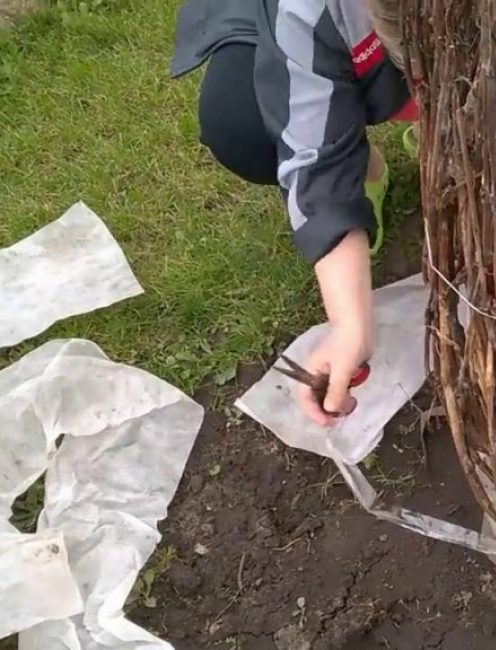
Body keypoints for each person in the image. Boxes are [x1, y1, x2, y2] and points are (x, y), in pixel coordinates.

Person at [170, 0, 414, 427]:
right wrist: (348, 326)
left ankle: (455, 133)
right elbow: (315, 158)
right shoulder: (308, 8)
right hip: (297, 20)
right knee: (242, 124)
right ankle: (364, 167)